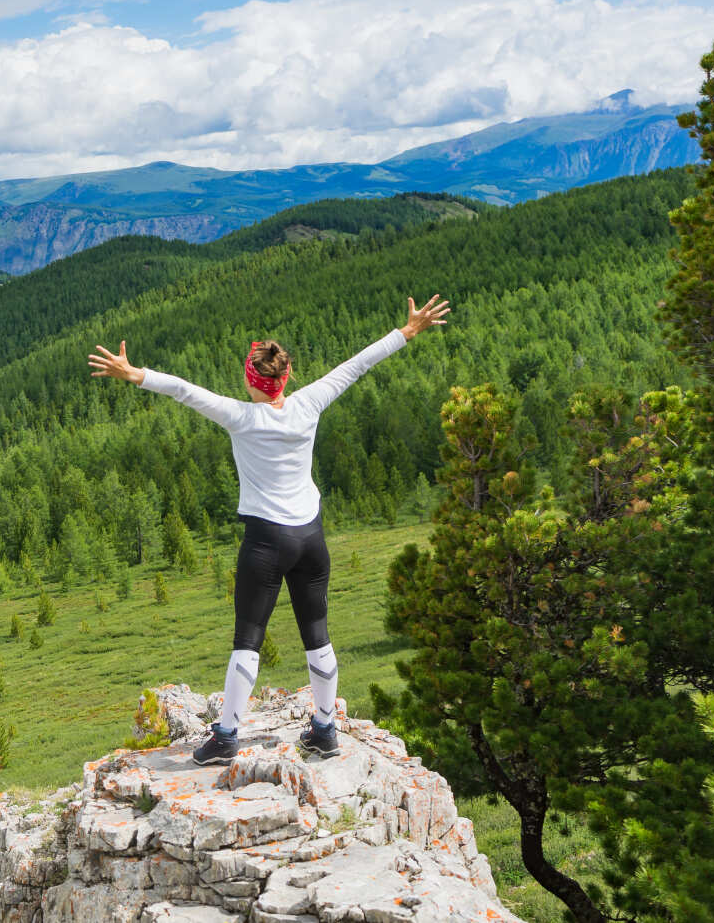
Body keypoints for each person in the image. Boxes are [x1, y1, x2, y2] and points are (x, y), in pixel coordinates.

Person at [87, 295, 450, 763]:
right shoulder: (309, 403)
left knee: (249, 638)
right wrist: (409, 330)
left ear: (250, 379)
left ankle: (226, 737)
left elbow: (183, 390)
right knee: (317, 632)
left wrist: (136, 375)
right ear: (286, 378)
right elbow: (357, 364)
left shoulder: (241, 418)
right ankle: (324, 729)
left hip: (266, 541)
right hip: (311, 538)